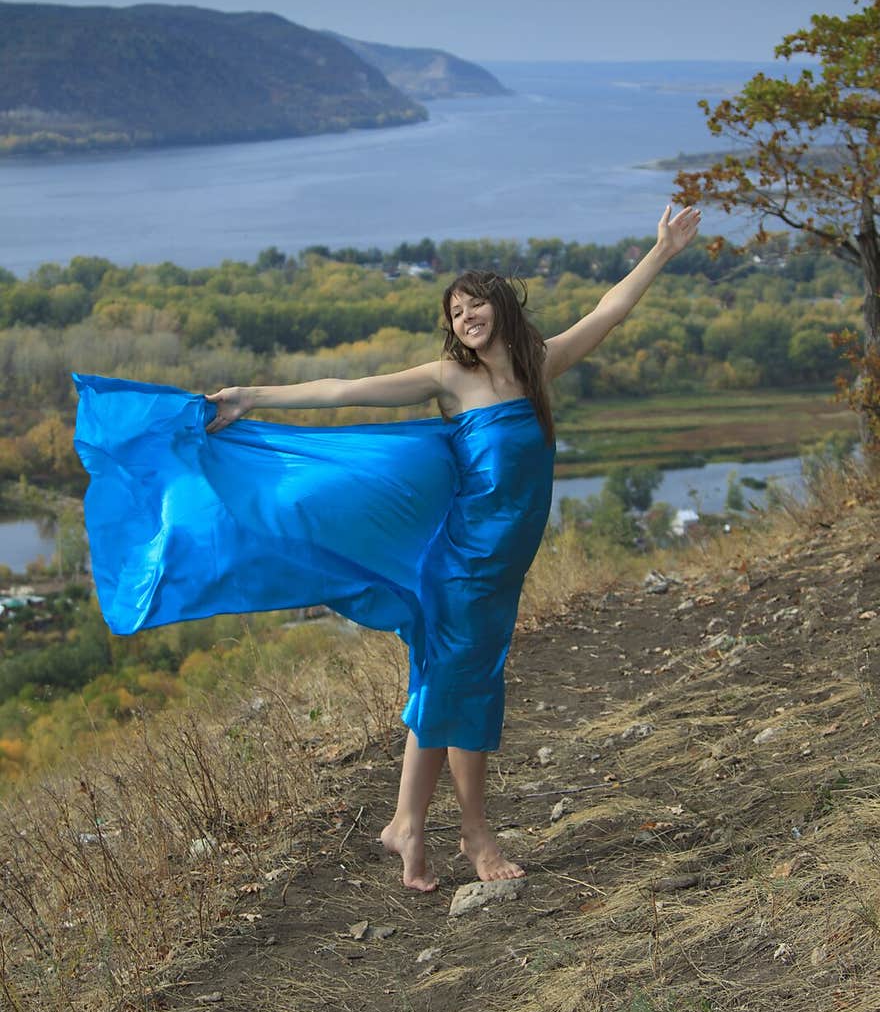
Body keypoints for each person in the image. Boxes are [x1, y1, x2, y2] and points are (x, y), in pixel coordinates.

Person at [203, 203, 701, 892]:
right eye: (456, 310)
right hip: (463, 567)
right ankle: (474, 834)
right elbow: (347, 390)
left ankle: (406, 824)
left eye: (476, 305)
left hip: (500, 569)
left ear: (500, 307)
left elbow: (610, 311)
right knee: (468, 688)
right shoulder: (449, 379)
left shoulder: (538, 366)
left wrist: (663, 251)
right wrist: (252, 395)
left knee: (446, 682)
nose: (466, 317)